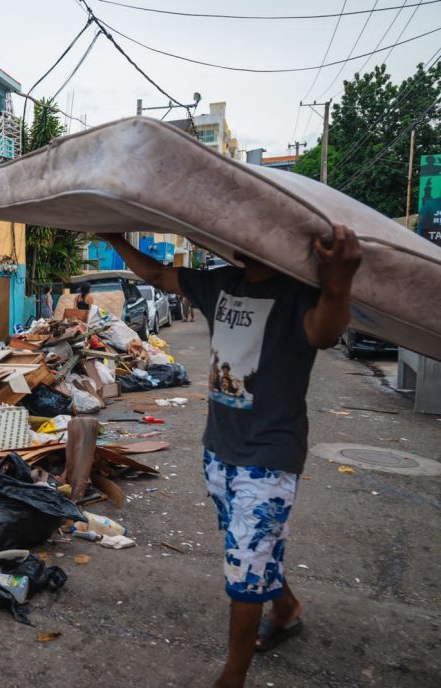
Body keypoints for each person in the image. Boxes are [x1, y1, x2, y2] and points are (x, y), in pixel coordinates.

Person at [105, 224, 361, 688]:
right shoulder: (222, 282)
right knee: (250, 547)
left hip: (270, 455)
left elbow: (323, 333)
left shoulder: (300, 292)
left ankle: (233, 675)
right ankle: (286, 609)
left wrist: (339, 280)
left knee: (245, 564)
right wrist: (114, 238)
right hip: (219, 448)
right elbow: (160, 276)